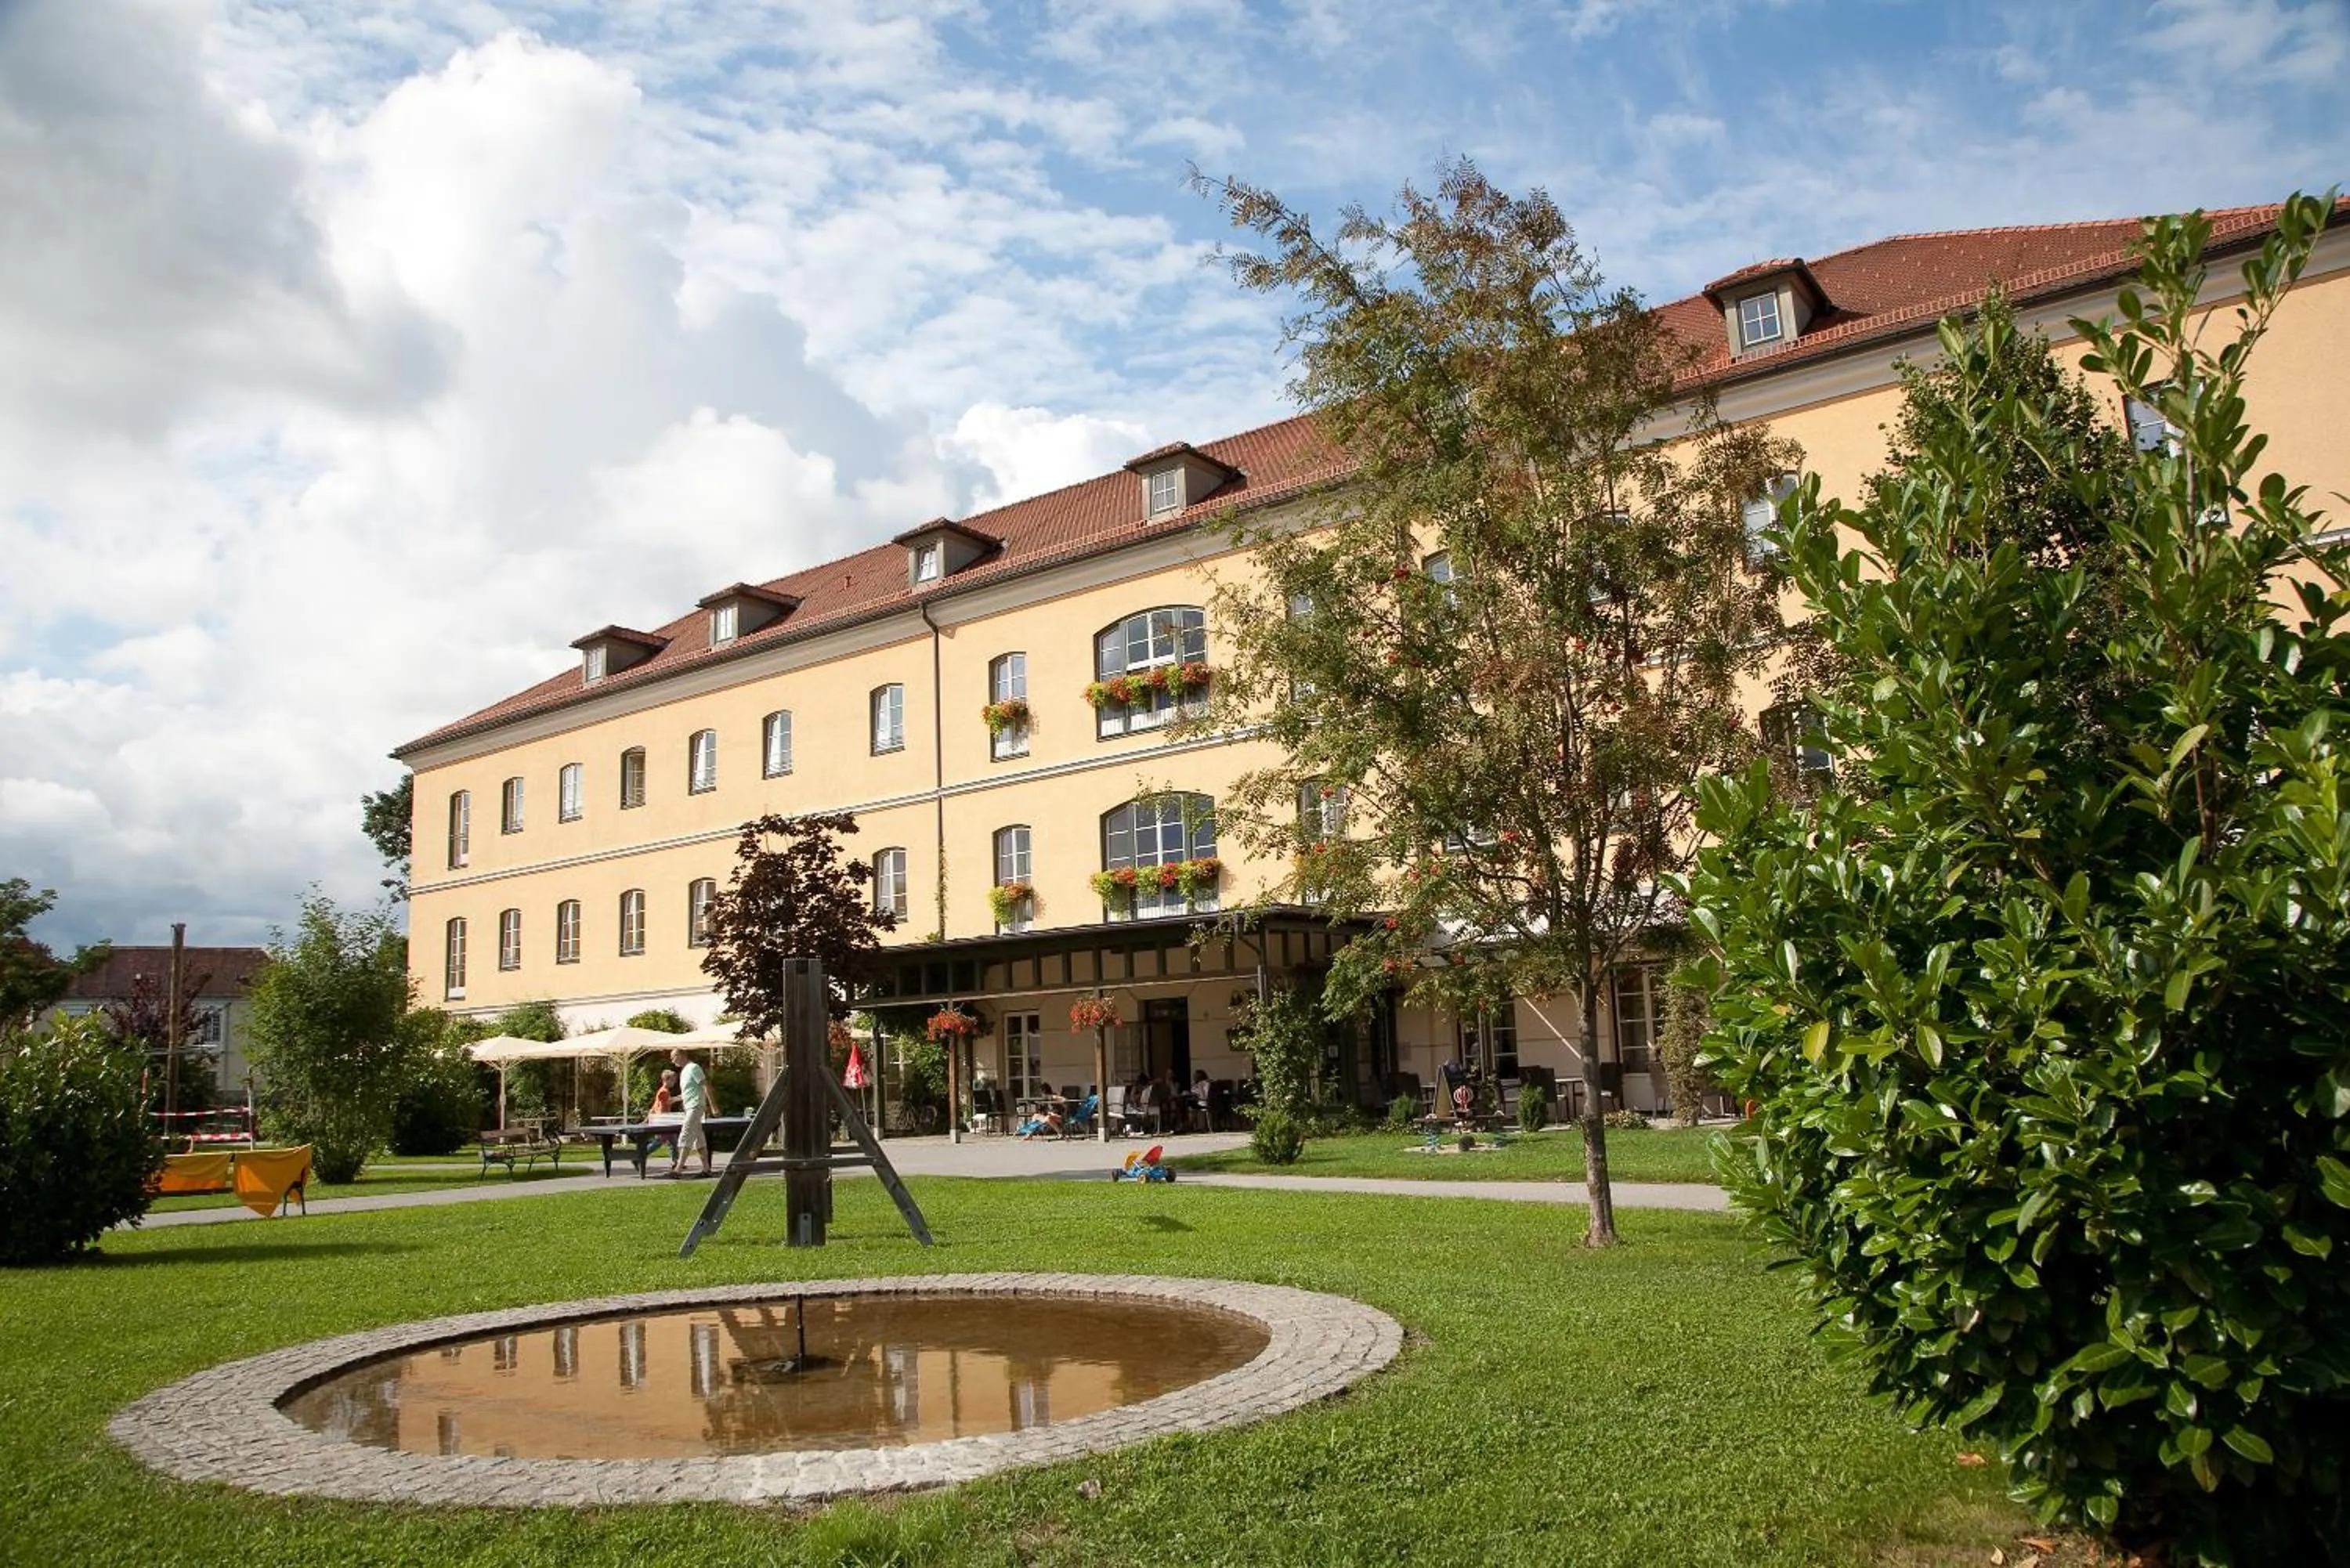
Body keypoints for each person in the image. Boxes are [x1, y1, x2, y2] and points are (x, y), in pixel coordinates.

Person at [667, 1047, 714, 1177]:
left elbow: (706, 1086)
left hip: (695, 1106)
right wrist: (675, 1099)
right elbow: (689, 1092)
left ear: (681, 1055)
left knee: (685, 1134)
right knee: (699, 1138)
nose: (672, 1061)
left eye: (673, 1057)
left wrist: (713, 1106)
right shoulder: (684, 1071)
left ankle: (678, 1170)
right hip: (690, 1106)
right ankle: (706, 1169)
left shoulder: (694, 1068)